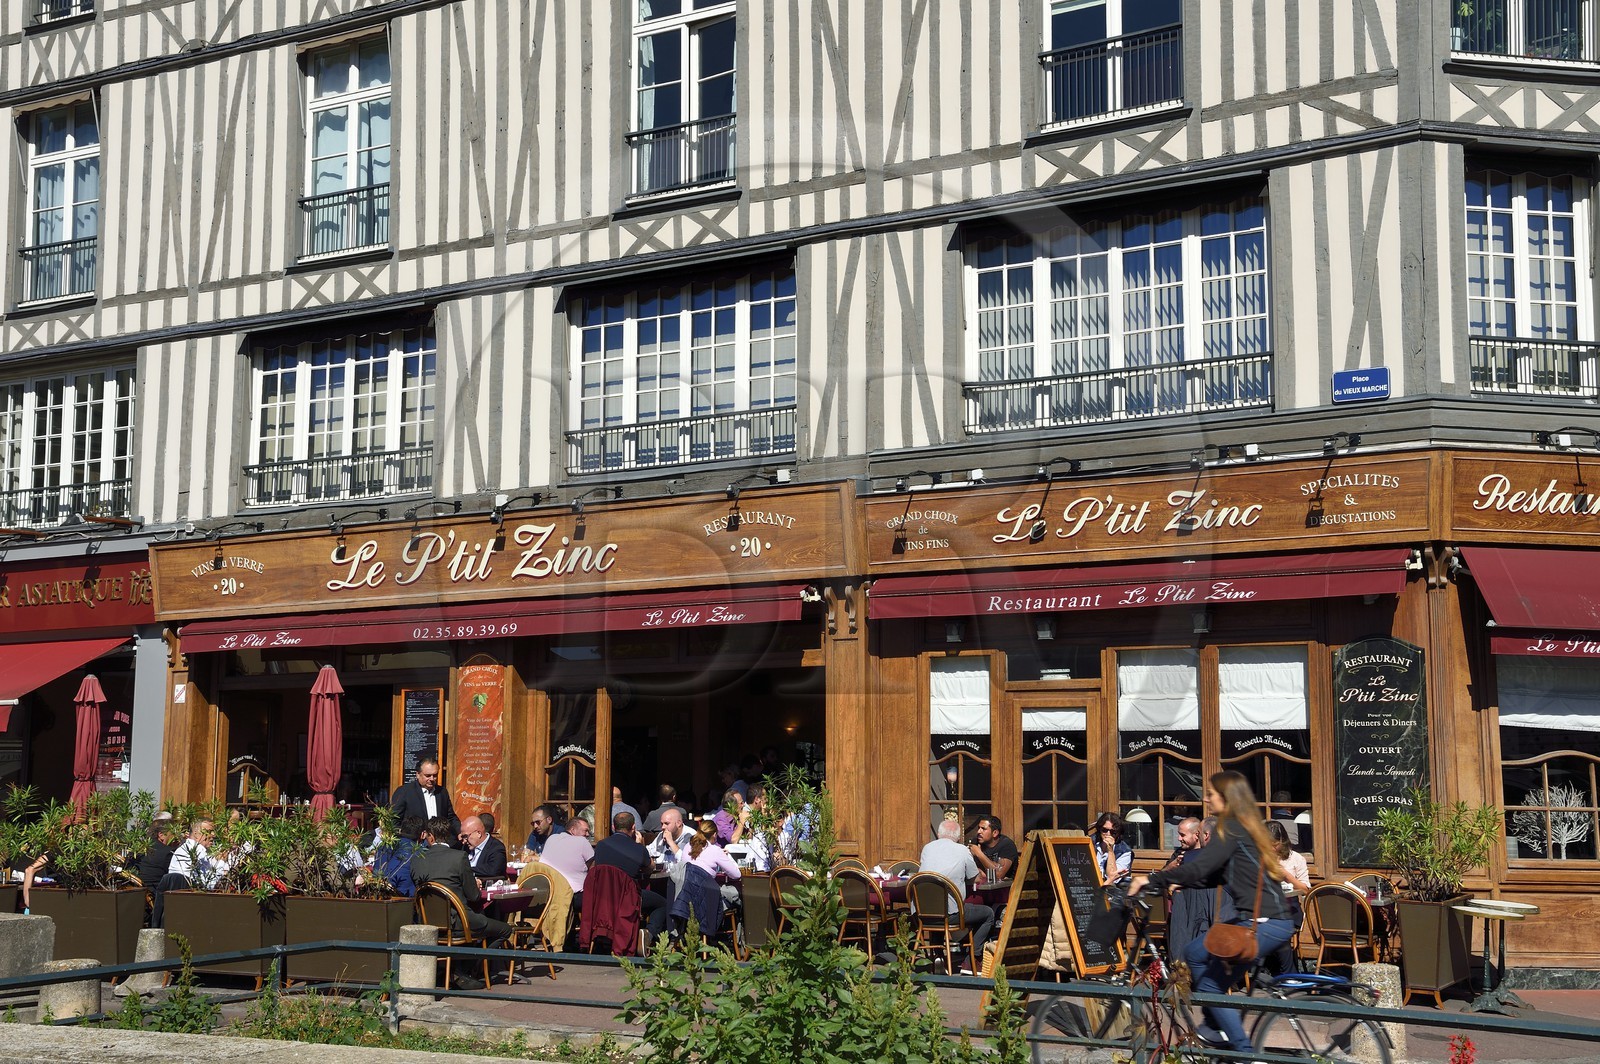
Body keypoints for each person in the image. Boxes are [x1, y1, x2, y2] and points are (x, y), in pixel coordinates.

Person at [1129, 771, 1295, 1055]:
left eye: (1211, 794)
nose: (1206, 798)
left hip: (1265, 923)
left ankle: (1245, 1054)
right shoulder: (1239, 827)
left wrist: (1151, 879)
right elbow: (1217, 875)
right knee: (1193, 953)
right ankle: (1214, 1026)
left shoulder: (1229, 828)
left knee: (1210, 985)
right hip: (1258, 919)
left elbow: (1202, 866)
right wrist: (1181, 881)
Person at [410, 816, 514, 989]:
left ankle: (456, 969)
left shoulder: (416, 859)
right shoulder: (459, 857)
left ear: (430, 837)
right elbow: (473, 897)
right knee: (505, 929)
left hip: (427, 921)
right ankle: (471, 967)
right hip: (460, 921)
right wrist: (473, 883)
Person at [917, 817, 995, 971]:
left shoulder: (927, 848)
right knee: (988, 914)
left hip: (922, 912)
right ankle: (972, 959)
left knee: (937, 909)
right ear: (958, 837)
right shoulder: (962, 850)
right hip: (951, 913)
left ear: (939, 834)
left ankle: (938, 956)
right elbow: (976, 878)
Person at [595, 810, 668, 937]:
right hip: (627, 898)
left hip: (602, 896)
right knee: (663, 904)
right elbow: (650, 868)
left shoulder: (600, 845)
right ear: (633, 827)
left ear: (613, 827)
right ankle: (648, 935)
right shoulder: (638, 849)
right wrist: (641, 846)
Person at [540, 811, 596, 914]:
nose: (587, 834)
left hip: (550, 895)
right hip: (574, 897)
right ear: (573, 830)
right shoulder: (582, 841)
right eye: (585, 831)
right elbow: (593, 870)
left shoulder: (551, 838)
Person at [390, 760, 459, 842]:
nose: (432, 779)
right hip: (415, 845)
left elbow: (450, 817)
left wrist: (460, 831)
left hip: (438, 843)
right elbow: (393, 820)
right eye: (428, 775)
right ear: (418, 774)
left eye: (435, 775)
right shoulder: (405, 792)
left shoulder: (442, 792)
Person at [372, 816, 423, 896]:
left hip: (377, 896)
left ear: (400, 830)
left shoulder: (383, 847)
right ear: (422, 835)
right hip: (404, 900)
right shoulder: (418, 853)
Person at [970, 815, 1018, 881]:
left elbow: (998, 875)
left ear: (995, 833)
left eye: (983, 829)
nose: (979, 831)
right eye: (978, 828)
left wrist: (979, 854)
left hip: (1005, 888)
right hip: (982, 886)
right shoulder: (976, 842)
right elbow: (973, 871)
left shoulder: (1007, 845)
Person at [1091, 812, 1133, 884]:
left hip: (1110, 889)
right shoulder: (1090, 842)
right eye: (1104, 830)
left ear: (1119, 833)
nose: (1108, 834)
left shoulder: (1125, 851)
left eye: (1113, 832)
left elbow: (1112, 877)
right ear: (1099, 829)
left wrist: (1110, 850)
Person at [461, 815, 507, 881]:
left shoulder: (496, 847)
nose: (464, 841)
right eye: (463, 837)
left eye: (466, 836)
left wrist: (465, 869)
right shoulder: (465, 847)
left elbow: (493, 870)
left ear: (478, 833)